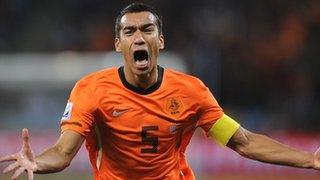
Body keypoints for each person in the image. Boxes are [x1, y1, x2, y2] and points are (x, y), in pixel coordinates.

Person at [0, 3, 319, 180]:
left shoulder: (192, 92)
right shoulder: (91, 90)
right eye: (129, 31)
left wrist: (308, 159)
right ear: (118, 44)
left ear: (160, 41)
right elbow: (63, 152)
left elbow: (243, 142)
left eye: (147, 29)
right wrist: (38, 162)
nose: (138, 37)